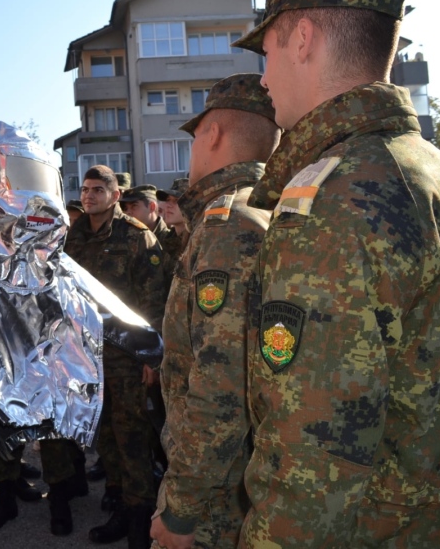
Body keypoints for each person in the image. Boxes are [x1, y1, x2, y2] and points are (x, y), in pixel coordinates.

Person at [232, 0, 440, 546]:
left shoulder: (330, 200)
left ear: (303, 38)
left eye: (268, 52)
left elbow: (312, 471)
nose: (263, 78)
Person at [150, 73, 280, 549]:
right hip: (236, 479)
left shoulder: (228, 224)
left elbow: (219, 385)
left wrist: (182, 508)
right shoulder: (265, 209)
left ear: (213, 134)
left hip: (217, 499)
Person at [64, 165, 166, 548]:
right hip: (87, 357)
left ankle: (140, 524)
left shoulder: (137, 238)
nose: (88, 196)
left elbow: (154, 303)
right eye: (85, 189)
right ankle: (122, 509)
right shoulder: (73, 237)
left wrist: (151, 360)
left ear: (115, 195)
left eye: (97, 190)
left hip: (127, 358)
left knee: (133, 439)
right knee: (105, 437)